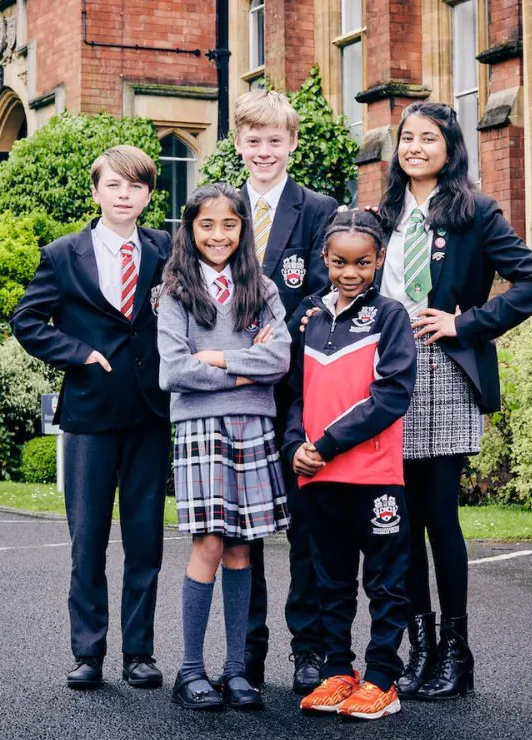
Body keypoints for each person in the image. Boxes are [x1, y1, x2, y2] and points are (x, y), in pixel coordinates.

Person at [378, 102, 532, 700]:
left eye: (429, 138)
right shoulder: (382, 215)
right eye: (407, 138)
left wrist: (468, 323)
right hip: (385, 372)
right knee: (395, 522)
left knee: (438, 516)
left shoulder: (475, 212)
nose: (415, 147)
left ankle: (456, 652)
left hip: (444, 370)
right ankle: (418, 646)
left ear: (450, 148)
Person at [9, 145, 172, 692]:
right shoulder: (62, 254)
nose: (125, 196)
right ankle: (88, 653)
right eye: (114, 186)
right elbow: (27, 320)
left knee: (145, 538)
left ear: (149, 195)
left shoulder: (165, 249)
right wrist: (75, 352)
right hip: (89, 413)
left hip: (150, 412)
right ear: (96, 191)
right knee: (89, 540)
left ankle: (140, 654)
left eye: (136, 187)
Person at [157, 182, 293, 712]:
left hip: (252, 427)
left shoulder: (262, 288)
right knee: (209, 542)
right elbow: (175, 369)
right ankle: (191, 671)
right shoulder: (175, 292)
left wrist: (213, 358)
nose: (218, 234)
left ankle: (236, 672)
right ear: (190, 230)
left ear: (243, 230)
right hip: (199, 428)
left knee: (242, 547)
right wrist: (240, 369)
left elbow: (278, 360)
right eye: (206, 225)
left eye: (229, 225)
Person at [283, 209, 417, 720]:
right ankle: (340, 671)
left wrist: (329, 442)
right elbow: (296, 393)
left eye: (363, 263)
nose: (350, 272)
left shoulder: (389, 316)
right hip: (317, 476)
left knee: (384, 583)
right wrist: (296, 444)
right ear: (324, 259)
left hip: (374, 476)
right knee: (330, 582)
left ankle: (382, 678)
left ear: (379, 260)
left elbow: (392, 395)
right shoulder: (311, 317)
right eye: (339, 262)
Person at [231, 88, 338, 693]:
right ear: (240, 145)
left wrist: (276, 348)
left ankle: (309, 648)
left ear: (292, 144)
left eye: (274, 141)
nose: (264, 151)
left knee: (305, 524)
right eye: (253, 141)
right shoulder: (220, 208)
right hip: (239, 393)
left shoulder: (318, 209)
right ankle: (247, 649)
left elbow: (324, 294)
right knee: (244, 525)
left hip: (299, 388)